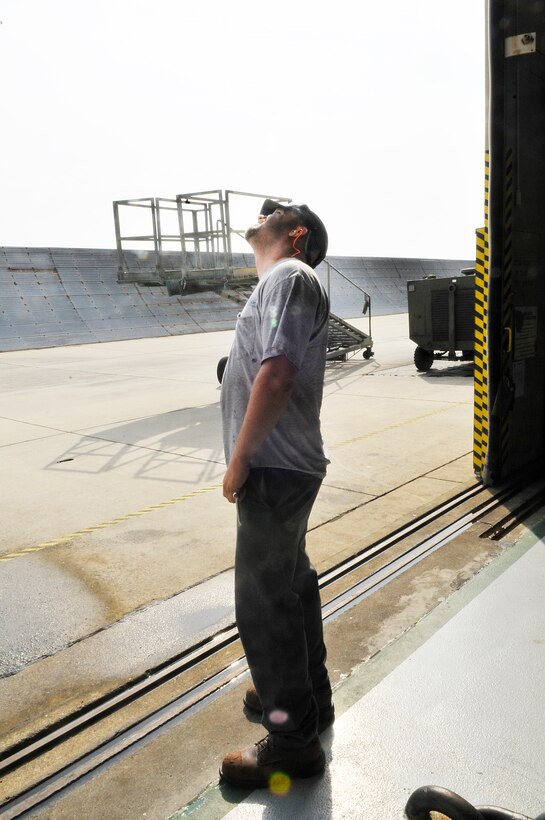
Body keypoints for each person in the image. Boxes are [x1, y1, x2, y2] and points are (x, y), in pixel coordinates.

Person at [219, 198, 334, 789]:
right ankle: (306, 699)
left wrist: (240, 459)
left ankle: (292, 742)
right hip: (287, 468)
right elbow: (267, 361)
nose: (259, 212)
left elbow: (278, 372)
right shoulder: (286, 282)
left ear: (295, 235)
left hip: (272, 470)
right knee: (291, 585)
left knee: (264, 603)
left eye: (274, 210)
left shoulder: (290, 275)